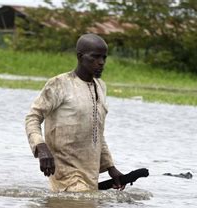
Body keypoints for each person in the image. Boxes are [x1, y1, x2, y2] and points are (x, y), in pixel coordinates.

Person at [25, 33, 125, 192]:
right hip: (64, 170)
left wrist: (110, 167)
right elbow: (32, 118)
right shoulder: (59, 84)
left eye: (104, 58)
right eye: (95, 57)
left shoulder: (101, 87)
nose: (101, 62)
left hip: (90, 172)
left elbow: (96, 132)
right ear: (80, 56)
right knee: (77, 206)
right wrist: (41, 147)